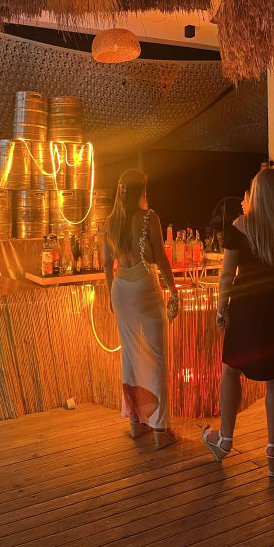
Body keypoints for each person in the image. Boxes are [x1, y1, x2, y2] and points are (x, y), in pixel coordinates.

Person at [202, 167, 274, 477]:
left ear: (256, 194)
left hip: (248, 307)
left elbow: (227, 274)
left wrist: (222, 307)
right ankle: (273, 451)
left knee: (231, 369)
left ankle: (224, 441)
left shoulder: (241, 226)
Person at [104, 169, 179, 450]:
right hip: (145, 287)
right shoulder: (149, 218)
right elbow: (160, 257)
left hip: (120, 290)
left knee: (130, 358)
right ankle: (160, 428)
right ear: (141, 190)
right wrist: (173, 290)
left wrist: (111, 296)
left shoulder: (110, 222)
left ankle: (136, 424)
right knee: (156, 359)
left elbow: (106, 264)